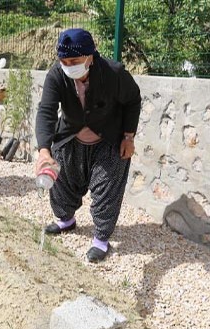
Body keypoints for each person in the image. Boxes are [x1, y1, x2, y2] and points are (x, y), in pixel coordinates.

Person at [35, 28, 142, 262]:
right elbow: (46, 111)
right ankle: (66, 220)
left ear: (90, 56)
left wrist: (128, 137)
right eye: (63, 61)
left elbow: (133, 99)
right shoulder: (57, 75)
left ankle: (101, 239)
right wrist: (44, 151)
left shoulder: (113, 73)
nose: (68, 65)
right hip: (72, 135)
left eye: (74, 61)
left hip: (108, 137)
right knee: (62, 178)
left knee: (107, 186)